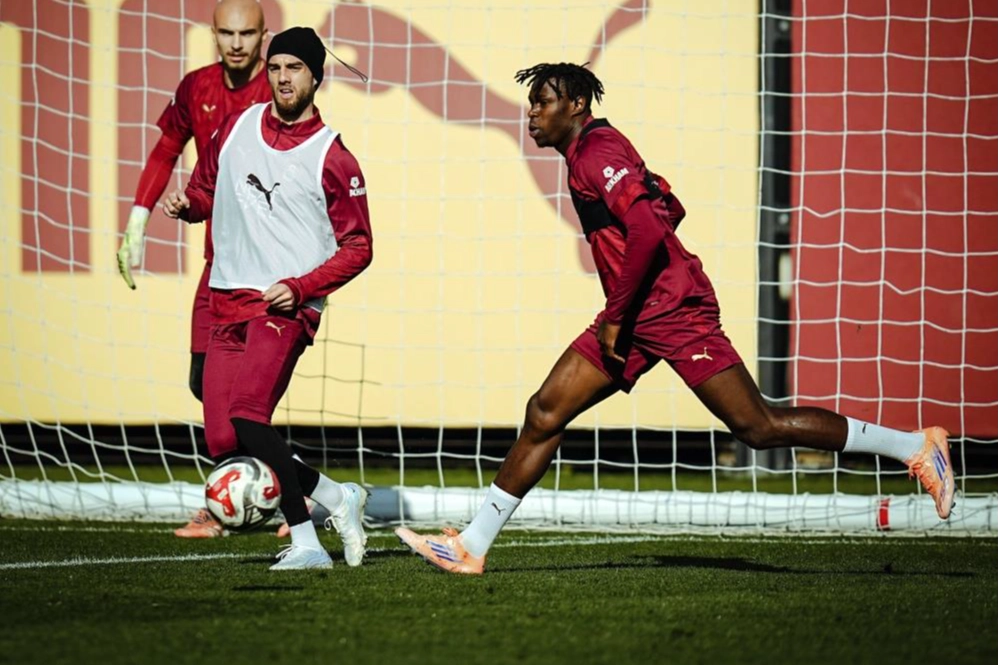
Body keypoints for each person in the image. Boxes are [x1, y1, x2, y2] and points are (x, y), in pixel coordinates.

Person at [395, 62, 956, 575]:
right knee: (545, 411)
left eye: (543, 102)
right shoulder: (594, 150)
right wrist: (624, 304)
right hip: (638, 313)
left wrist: (617, 314)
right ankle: (471, 546)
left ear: (576, 105)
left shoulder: (595, 152)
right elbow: (667, 205)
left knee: (758, 426)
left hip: (670, 311)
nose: (532, 113)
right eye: (531, 103)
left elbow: (647, 228)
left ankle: (912, 447)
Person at [163, 26, 374, 570]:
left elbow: (360, 247)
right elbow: (206, 188)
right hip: (225, 298)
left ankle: (307, 544)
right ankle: (337, 496)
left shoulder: (333, 157)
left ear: (315, 77)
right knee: (223, 442)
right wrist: (188, 206)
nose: (282, 77)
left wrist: (300, 288)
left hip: (284, 307)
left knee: (250, 417)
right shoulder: (237, 126)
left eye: (294, 68)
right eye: (276, 66)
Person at [116, 0, 274, 538]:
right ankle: (265, 489)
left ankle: (250, 499)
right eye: (227, 33)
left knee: (244, 399)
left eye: (247, 34)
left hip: (268, 271)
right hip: (219, 264)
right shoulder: (196, 87)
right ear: (214, 33)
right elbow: (166, 149)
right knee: (204, 384)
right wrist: (138, 222)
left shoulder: (279, 90)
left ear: (263, 36)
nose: (237, 44)